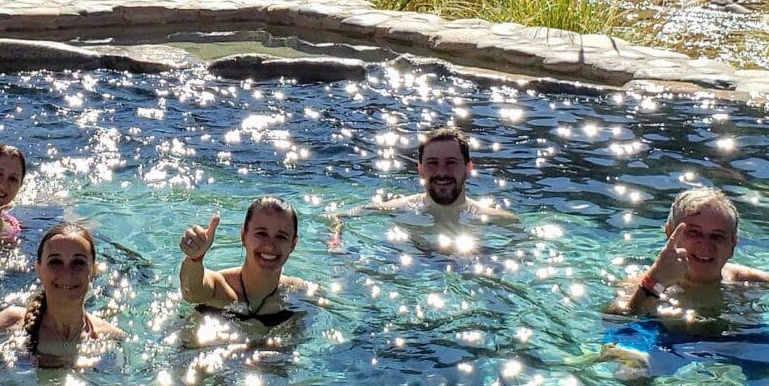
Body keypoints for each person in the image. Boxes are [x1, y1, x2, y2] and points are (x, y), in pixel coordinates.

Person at [603, 187, 769, 372]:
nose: (705, 244)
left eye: (717, 236)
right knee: (632, 374)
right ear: (670, 234)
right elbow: (615, 321)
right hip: (665, 340)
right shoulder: (645, 283)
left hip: (740, 342)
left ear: (732, 244)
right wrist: (656, 282)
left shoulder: (750, 282)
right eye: (694, 232)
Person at [0, 223, 123, 369]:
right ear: (39, 270)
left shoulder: (110, 337)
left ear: (93, 271)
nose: (67, 273)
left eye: (78, 262)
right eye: (55, 262)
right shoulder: (12, 322)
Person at [327, 126, 520, 250]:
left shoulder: (499, 220)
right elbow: (339, 216)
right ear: (420, 170)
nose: (441, 172)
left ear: (468, 168)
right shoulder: (400, 208)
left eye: (451, 162)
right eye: (432, 163)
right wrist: (337, 238)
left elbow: (523, 246)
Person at [179, 198, 318, 327]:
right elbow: (192, 293)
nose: (270, 245)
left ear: (293, 244)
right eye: (261, 233)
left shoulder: (299, 293)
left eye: (281, 237)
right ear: (243, 236)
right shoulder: (219, 286)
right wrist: (195, 258)